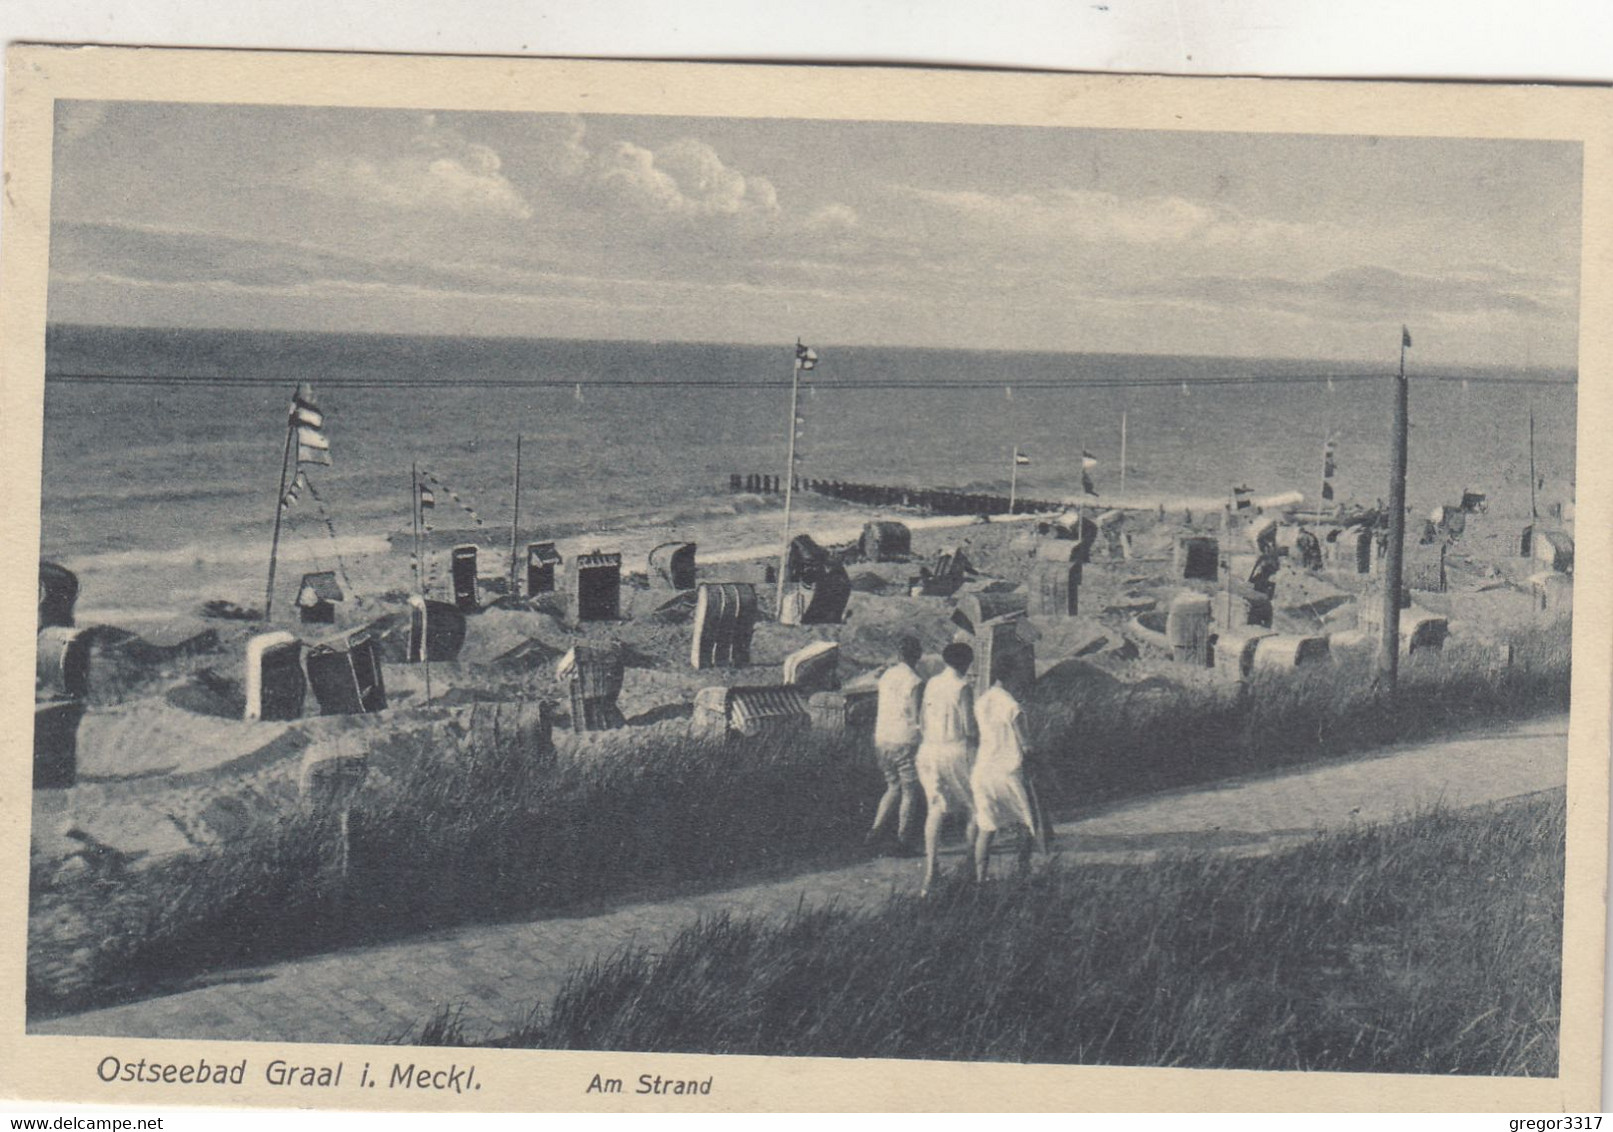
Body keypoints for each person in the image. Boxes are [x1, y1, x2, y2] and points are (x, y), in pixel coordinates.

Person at [916, 641, 978, 894]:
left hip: (929, 750)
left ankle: (931, 872)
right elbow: (969, 728)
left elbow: (922, 719)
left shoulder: (932, 683)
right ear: (966, 663)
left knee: (936, 809)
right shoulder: (963, 687)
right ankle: (970, 864)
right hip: (955, 750)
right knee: (976, 807)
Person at [971, 674, 1045, 882]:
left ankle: (980, 879)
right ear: (1010, 676)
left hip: (983, 771)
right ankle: (1023, 871)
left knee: (986, 827)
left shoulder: (981, 702)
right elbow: (1026, 745)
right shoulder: (1013, 706)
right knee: (1026, 822)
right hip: (1008, 772)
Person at [867, 636, 925, 854]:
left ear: (899, 655)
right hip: (905, 739)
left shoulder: (887, 676)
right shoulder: (915, 681)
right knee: (910, 791)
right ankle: (903, 841)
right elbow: (915, 715)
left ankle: (875, 831)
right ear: (917, 656)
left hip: (882, 738)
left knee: (892, 786)